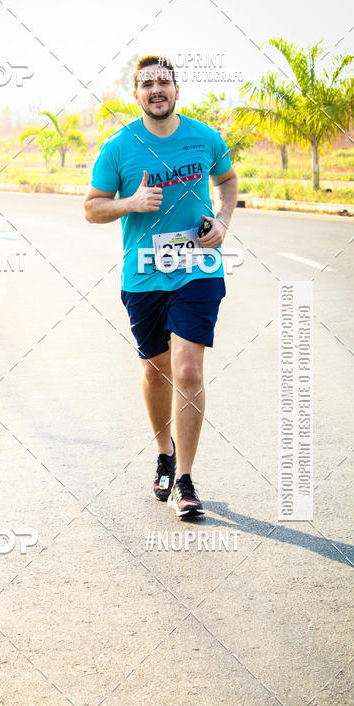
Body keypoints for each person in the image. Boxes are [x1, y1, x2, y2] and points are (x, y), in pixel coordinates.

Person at [84, 55, 238, 517]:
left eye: (164, 82)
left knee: (189, 369)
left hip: (198, 268)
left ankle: (186, 481)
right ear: (136, 94)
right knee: (157, 371)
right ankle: (164, 452)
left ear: (176, 90)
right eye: (147, 83)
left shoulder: (205, 137)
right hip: (144, 275)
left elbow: (227, 181)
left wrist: (224, 222)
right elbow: (92, 208)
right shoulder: (118, 147)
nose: (156, 89)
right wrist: (131, 202)